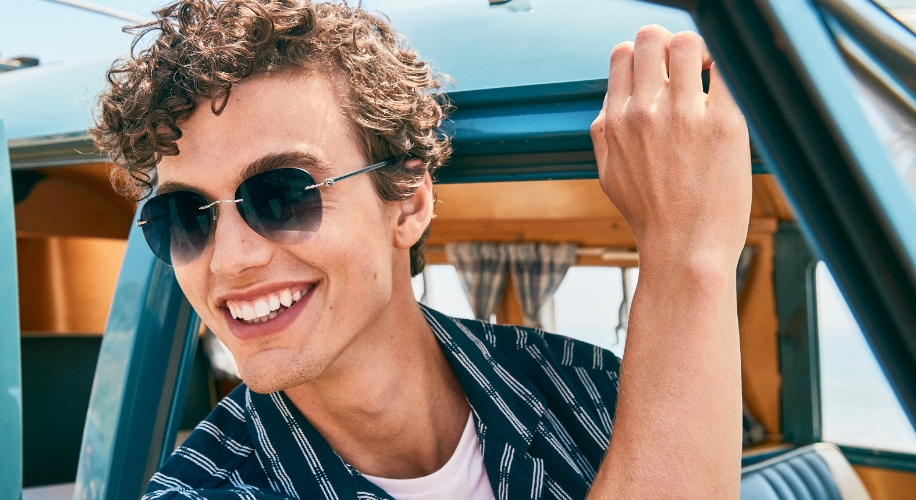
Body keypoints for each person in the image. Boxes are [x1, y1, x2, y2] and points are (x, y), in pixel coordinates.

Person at [92, 1, 751, 498]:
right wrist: (687, 256)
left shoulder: (585, 387)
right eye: (184, 216)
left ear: (406, 203)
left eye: (282, 194)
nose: (230, 258)